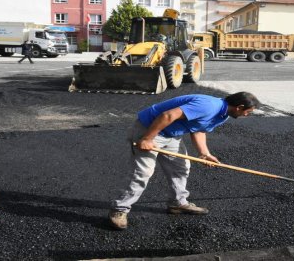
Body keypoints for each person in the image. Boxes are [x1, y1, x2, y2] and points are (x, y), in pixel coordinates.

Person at [109, 92, 260, 230]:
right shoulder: (209, 106)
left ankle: (178, 203)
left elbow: (199, 129)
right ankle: (119, 210)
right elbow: (168, 115)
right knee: (142, 172)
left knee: (181, 168)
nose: (247, 115)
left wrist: (204, 153)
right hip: (149, 129)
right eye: (248, 112)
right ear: (240, 107)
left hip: (171, 134)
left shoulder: (223, 114)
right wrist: (147, 138)